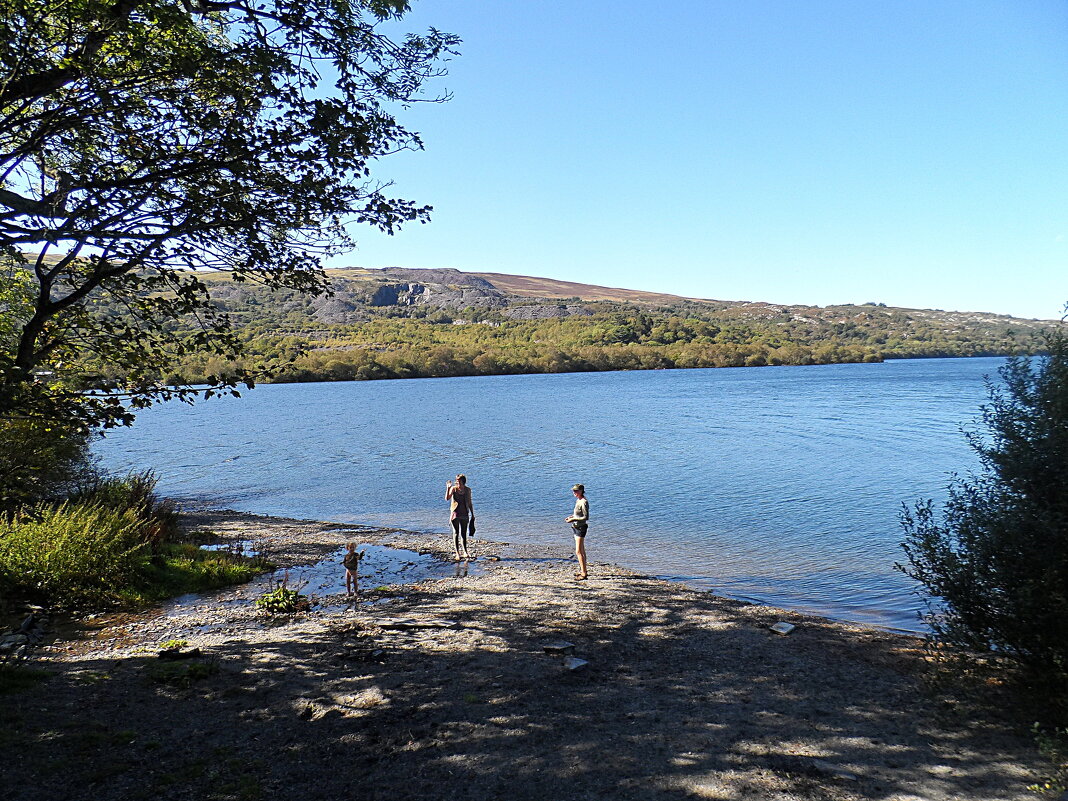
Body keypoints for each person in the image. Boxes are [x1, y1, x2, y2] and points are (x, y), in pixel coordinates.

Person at [445, 473, 475, 561]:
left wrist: (473, 514)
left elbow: (469, 502)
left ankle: (465, 552)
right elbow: (447, 498)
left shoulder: (468, 490)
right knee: (456, 533)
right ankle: (457, 553)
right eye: (456, 481)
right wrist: (448, 488)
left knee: (464, 533)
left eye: (459, 481)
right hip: (455, 514)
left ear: (463, 482)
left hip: (465, 513)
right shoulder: (453, 489)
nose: (457, 483)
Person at [566, 483, 589, 580]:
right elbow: (578, 514)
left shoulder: (584, 502)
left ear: (581, 491)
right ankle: (583, 570)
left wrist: (574, 520)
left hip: (581, 528)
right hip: (576, 527)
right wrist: (572, 517)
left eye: (576, 491)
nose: (574, 492)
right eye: (573, 491)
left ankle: (583, 574)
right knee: (581, 550)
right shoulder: (578, 500)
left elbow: (586, 517)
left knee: (578, 551)